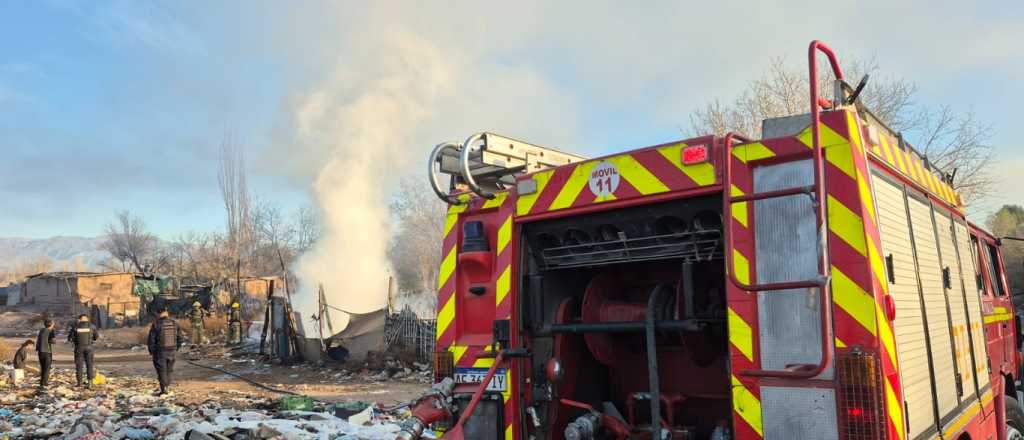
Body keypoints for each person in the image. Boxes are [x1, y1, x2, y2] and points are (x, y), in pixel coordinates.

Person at [147, 307, 184, 395]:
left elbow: (151, 340)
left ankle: (164, 390)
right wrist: (176, 348)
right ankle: (167, 387)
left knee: (162, 371)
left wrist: (152, 351)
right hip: (172, 350)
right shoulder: (175, 323)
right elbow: (180, 338)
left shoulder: (156, 324)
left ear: (158, 314)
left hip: (161, 351)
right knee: (169, 370)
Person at [68, 314, 99, 388]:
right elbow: (96, 337)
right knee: (89, 365)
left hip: (79, 348)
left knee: (79, 366)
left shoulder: (75, 327)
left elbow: (70, 338)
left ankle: (79, 383)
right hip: (89, 348)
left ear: (80, 319)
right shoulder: (92, 326)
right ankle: (90, 384)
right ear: (87, 319)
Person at [36, 319, 56, 388]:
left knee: (43, 368)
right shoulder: (51, 331)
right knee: (47, 368)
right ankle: (45, 383)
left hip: (40, 352)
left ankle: (42, 383)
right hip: (47, 352)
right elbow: (53, 341)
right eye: (53, 324)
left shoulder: (41, 330)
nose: (54, 325)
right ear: (51, 324)